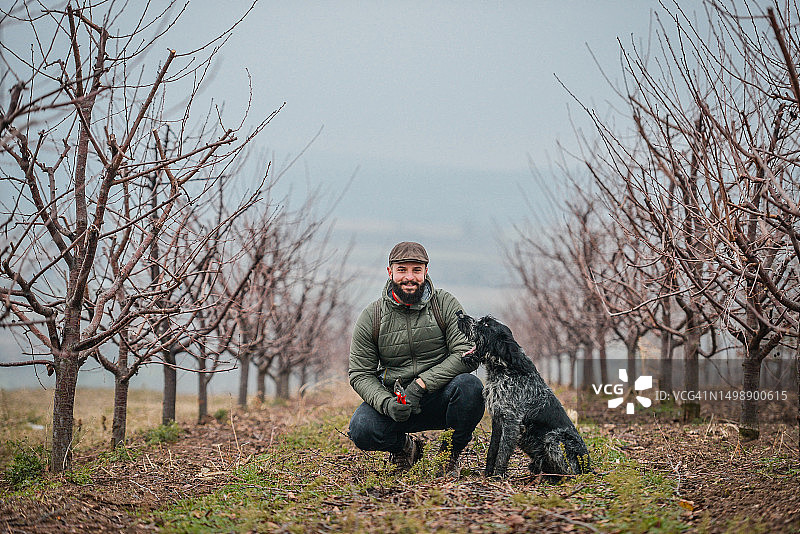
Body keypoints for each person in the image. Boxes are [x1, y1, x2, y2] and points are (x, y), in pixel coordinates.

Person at [347, 241, 484, 475]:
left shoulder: (445, 304)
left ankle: (449, 455)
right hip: (398, 402)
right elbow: (360, 374)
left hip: (442, 395)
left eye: (416, 270)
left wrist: (421, 385)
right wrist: (386, 403)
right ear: (390, 272)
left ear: (425, 272)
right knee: (362, 429)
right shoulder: (373, 316)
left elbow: (466, 353)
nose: (409, 277)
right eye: (402, 270)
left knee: (470, 388)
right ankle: (405, 448)